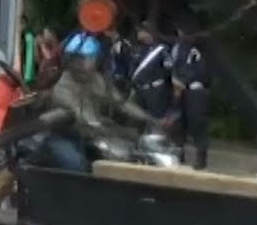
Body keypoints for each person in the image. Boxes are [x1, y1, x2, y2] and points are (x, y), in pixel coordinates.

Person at [29, 35, 161, 173]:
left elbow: (121, 104)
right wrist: (115, 133)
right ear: (69, 60)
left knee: (137, 148)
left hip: (92, 136)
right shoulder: (63, 86)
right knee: (76, 165)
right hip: (67, 137)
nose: (82, 63)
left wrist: (148, 119)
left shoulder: (96, 80)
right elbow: (86, 119)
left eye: (88, 58)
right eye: (78, 59)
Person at [170, 29, 212, 170]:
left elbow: (201, 70)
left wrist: (184, 81)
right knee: (178, 123)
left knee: (197, 124)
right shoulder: (176, 47)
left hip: (194, 90)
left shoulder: (197, 48)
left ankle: (201, 157)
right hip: (178, 89)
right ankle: (178, 154)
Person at [129, 21, 173, 118]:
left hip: (156, 89)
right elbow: (133, 67)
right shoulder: (138, 49)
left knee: (157, 118)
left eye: (141, 31)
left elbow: (168, 67)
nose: (138, 34)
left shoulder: (161, 49)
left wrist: (157, 77)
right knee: (141, 118)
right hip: (140, 89)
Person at [104, 24, 134, 93]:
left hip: (121, 76)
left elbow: (127, 60)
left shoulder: (123, 44)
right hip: (114, 74)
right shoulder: (112, 43)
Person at [20, 14, 38, 87]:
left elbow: (31, 56)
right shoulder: (18, 36)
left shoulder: (29, 36)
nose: (21, 26)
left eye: (22, 23)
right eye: (20, 23)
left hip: (27, 74)